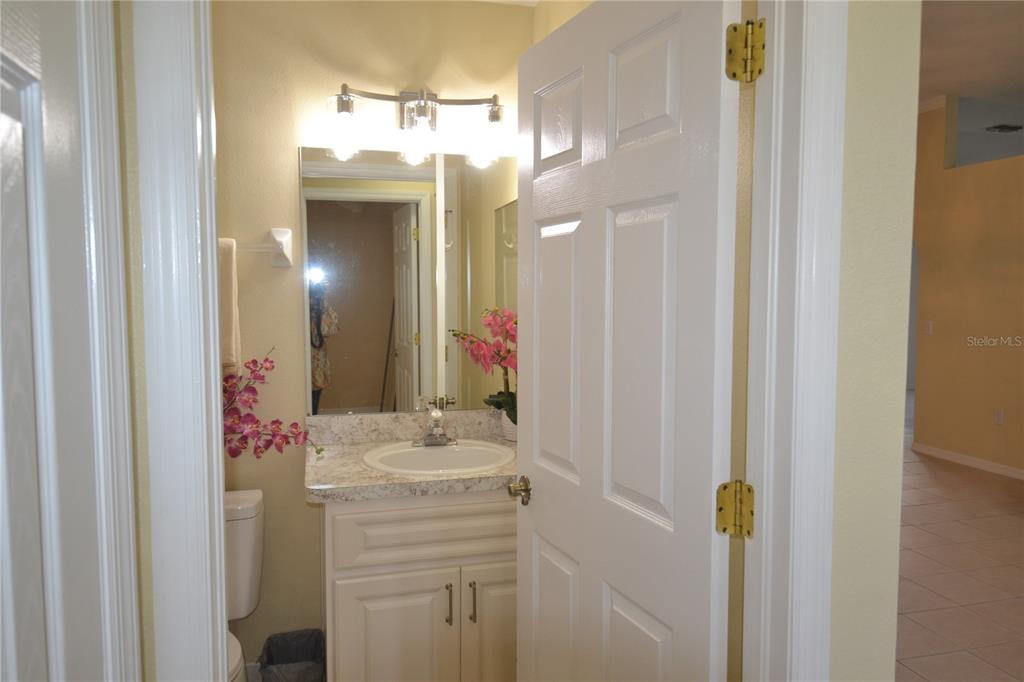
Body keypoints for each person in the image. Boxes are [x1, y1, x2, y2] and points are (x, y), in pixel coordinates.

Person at [309, 281, 339, 414]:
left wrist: (324, 302)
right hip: (301, 360)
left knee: (314, 402)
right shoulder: (299, 302)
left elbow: (329, 330)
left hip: (317, 362)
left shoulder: (322, 305)